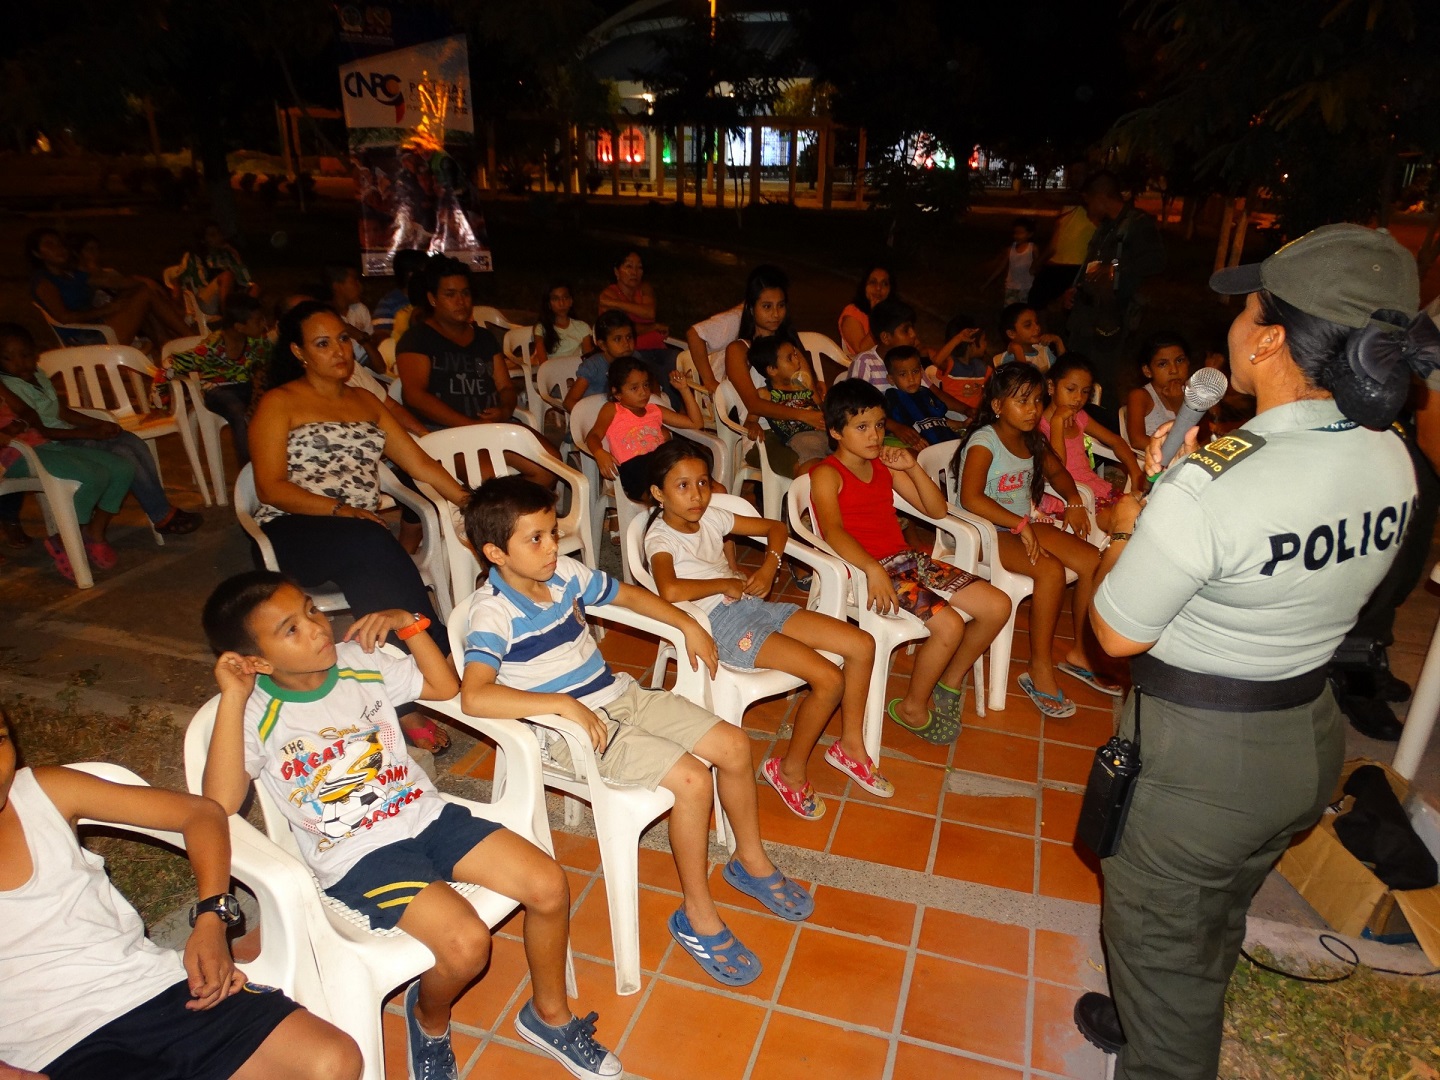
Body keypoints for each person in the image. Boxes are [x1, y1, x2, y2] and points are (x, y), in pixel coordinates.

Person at [1071, 223, 1439, 1079]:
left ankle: (1159, 1034)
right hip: (1302, 737)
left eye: (1244, 311)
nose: (1232, 326)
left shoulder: (1212, 485)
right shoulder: (1394, 459)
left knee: (1162, 933)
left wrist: (1134, 524)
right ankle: (1149, 1005)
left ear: (1269, 338)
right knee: (1214, 909)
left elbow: (1115, 633)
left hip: (1200, 763)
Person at [200, 573, 620, 1080]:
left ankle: (549, 1017)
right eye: (291, 629)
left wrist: (410, 623)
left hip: (424, 814)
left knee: (549, 885)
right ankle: (429, 1017)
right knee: (466, 947)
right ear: (258, 660)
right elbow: (218, 802)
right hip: (357, 854)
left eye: (311, 611)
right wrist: (232, 696)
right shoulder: (254, 712)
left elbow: (443, 687)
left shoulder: (360, 662)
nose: (316, 628)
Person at [458, 476, 815, 988]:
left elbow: (625, 595)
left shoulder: (563, 575)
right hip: (569, 731)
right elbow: (476, 695)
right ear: (495, 552)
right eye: (534, 539)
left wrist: (688, 624)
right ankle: (697, 912)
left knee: (735, 745)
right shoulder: (492, 613)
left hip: (616, 696)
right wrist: (561, 704)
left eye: (552, 533)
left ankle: (749, 860)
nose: (551, 547)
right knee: (693, 781)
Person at [0, 706, 363, 1080]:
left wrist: (211, 919)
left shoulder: (42, 793)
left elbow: (200, 813)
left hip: (152, 990)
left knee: (332, 1060)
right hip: (48, 1049)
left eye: (0, 739)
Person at [247, 300, 472, 750]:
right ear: (298, 352)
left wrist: (471, 501)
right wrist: (339, 509)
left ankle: (402, 697)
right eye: (323, 343)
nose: (340, 351)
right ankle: (442, 657)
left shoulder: (366, 401)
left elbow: (420, 464)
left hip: (358, 537)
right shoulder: (279, 402)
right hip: (292, 529)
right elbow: (269, 487)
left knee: (373, 571)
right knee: (372, 542)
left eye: (344, 340)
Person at [641, 440, 885, 815]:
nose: (698, 496)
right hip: (719, 623)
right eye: (683, 486)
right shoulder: (661, 538)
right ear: (658, 493)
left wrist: (769, 566)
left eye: (704, 483)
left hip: (751, 605)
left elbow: (775, 527)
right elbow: (669, 590)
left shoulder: (712, 517)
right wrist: (722, 583)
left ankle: (850, 746)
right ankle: (788, 772)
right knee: (829, 679)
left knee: (861, 644)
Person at [811, 380, 1010, 744]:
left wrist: (912, 467)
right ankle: (912, 707)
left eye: (880, 425)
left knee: (998, 605)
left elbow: (936, 510)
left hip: (909, 562)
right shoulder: (827, 474)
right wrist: (871, 568)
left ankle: (948, 682)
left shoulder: (885, 466)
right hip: (867, 571)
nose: (874, 436)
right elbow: (833, 533)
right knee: (949, 626)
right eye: (862, 427)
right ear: (836, 431)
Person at [953, 363, 1121, 717]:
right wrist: (1019, 524)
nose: (1033, 410)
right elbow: (971, 498)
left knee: (1094, 560)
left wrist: (1073, 500)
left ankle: (1081, 652)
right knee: (1050, 571)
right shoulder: (985, 442)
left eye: (1036, 401)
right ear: (998, 406)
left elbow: (1058, 473)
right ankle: (1039, 666)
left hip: (1021, 525)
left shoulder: (1032, 438)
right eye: (1022, 401)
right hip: (985, 531)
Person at [0, 324, 203, 541]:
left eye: (25, 355)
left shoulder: (38, 376)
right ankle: (162, 514)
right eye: (9, 358)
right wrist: (90, 433)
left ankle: (162, 508)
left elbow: (62, 412)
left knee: (132, 442)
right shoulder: (9, 387)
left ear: (35, 353)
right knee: (123, 454)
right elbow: (42, 431)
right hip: (54, 443)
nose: (20, 363)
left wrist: (96, 425)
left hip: (68, 431)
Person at [394, 257, 558, 489]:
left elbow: (505, 387)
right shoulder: (417, 339)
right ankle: (502, 516)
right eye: (450, 295)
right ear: (432, 299)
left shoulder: (483, 338)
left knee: (549, 466)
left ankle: (517, 518)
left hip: (493, 427)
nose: (460, 301)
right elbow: (415, 396)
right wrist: (468, 424)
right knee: (493, 481)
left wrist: (503, 410)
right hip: (444, 433)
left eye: (465, 293)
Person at [0, 389, 133, 580]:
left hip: (42, 444)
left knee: (122, 468)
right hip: (14, 456)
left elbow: (28, 412)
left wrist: (16, 425)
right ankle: (65, 540)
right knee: (94, 475)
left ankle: (94, 532)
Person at [721, 265, 827, 477]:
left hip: (805, 430)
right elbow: (754, 403)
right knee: (815, 471)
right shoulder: (739, 350)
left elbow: (813, 398)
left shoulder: (791, 349)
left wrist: (819, 415)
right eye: (767, 306)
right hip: (762, 434)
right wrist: (804, 416)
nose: (775, 314)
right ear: (751, 308)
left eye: (780, 306)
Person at [1067, 172, 1164, 396]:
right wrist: (1076, 287)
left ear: (1101, 197)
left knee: (1101, 380)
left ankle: (1102, 426)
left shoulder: (1137, 224)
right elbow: (1092, 262)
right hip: (1086, 312)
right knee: (1076, 373)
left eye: (1088, 201)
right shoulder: (1107, 226)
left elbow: (1156, 262)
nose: (1088, 207)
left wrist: (1112, 271)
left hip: (1111, 316)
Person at [27, 228, 190, 347]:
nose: (59, 248)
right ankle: (192, 340)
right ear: (37, 253)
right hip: (84, 338)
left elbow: (118, 282)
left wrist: (147, 281)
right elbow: (64, 317)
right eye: (50, 244)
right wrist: (107, 310)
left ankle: (169, 345)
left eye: (60, 244)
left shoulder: (71, 275)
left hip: (97, 326)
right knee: (143, 294)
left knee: (139, 293)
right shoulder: (43, 281)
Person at [160, 294, 270, 469]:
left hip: (245, 387)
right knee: (239, 413)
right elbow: (172, 363)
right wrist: (160, 395)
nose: (263, 324)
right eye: (257, 321)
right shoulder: (211, 347)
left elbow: (270, 360)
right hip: (218, 391)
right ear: (240, 327)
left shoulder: (257, 341)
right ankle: (249, 471)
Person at [1039, 354, 1144, 532]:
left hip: (1093, 488)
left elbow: (1116, 441)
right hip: (1065, 495)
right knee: (1122, 525)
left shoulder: (1080, 417)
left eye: (1085, 391)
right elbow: (1058, 469)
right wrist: (1056, 423)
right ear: (1051, 387)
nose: (1078, 398)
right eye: (1071, 389)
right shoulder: (1039, 426)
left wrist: (1135, 473)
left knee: (1139, 516)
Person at [585, 357, 702, 501]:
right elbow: (593, 435)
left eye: (646, 385)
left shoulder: (655, 410)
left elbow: (696, 423)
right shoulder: (612, 409)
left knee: (686, 454)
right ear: (617, 393)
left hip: (661, 463)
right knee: (668, 493)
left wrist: (684, 389)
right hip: (633, 468)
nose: (644, 392)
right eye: (634, 388)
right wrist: (599, 452)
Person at [597, 250, 677, 405]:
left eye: (639, 267)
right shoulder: (609, 292)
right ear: (616, 271)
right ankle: (670, 416)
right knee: (662, 375)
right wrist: (652, 327)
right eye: (629, 266)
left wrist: (614, 304)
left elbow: (649, 312)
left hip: (659, 347)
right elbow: (622, 330)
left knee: (679, 363)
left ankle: (683, 413)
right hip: (635, 351)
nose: (634, 272)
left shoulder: (644, 289)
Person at [748, 335, 830, 478]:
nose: (797, 360)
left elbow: (819, 405)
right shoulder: (765, 394)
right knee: (814, 466)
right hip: (802, 438)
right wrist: (753, 425)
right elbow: (750, 420)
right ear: (772, 369)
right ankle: (804, 492)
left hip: (826, 433)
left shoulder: (801, 385)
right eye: (790, 358)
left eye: (795, 355)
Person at [175, 222, 261, 319]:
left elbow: (246, 280)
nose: (218, 238)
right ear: (203, 240)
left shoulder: (227, 256)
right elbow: (178, 279)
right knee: (227, 276)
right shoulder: (193, 257)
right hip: (206, 299)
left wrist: (235, 254)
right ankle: (228, 318)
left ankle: (245, 320)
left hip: (231, 296)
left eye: (219, 234)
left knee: (255, 288)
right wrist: (177, 302)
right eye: (212, 235)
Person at [1123, 333, 1191, 451]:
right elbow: (1137, 440)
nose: (1174, 370)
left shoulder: (1193, 393)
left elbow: (1202, 436)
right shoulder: (1141, 396)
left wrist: (1179, 403)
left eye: (1180, 360)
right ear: (1147, 371)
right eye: (1163, 364)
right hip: (1156, 460)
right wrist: (1173, 452)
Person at [884, 346, 963, 446]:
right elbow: (882, 421)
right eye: (903, 374)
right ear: (891, 379)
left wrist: (962, 424)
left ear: (921, 373)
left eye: (915, 372)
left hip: (949, 442)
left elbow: (941, 420)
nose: (911, 379)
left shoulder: (927, 393)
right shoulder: (893, 396)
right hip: (924, 448)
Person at [1029, 202, 1097, 314]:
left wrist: (1038, 263)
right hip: (1074, 267)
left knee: (1039, 305)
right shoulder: (1076, 209)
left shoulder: (1076, 209)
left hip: (1067, 267)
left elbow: (1053, 247)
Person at [562, 311, 636, 411]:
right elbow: (569, 402)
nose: (626, 343)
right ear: (603, 345)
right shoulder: (593, 366)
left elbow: (653, 389)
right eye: (618, 339)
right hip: (593, 418)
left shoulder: (636, 360)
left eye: (629, 337)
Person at [927, 314, 992, 417]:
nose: (986, 344)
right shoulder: (951, 365)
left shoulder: (982, 368)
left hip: (973, 417)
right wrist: (959, 338)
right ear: (972, 344)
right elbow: (937, 360)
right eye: (984, 340)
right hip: (953, 414)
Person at [323, 266, 378, 370]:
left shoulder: (360, 309)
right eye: (354, 281)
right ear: (337, 286)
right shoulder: (326, 316)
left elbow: (373, 348)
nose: (360, 286)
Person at [837, 263, 894, 359]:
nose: (878, 288)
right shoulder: (853, 313)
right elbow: (861, 351)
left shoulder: (895, 310)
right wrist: (877, 317)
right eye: (873, 282)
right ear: (864, 286)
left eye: (884, 284)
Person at [371, 249, 428, 343]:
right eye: (425, 270)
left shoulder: (432, 298)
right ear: (410, 274)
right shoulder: (389, 303)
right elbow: (382, 341)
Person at [684, 303, 743, 392]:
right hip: (724, 394)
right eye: (767, 306)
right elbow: (694, 334)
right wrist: (709, 381)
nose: (772, 314)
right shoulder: (738, 317)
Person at [532, 281, 594, 367]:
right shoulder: (542, 328)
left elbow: (588, 359)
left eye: (565, 298)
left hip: (576, 372)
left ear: (571, 301)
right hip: (551, 373)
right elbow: (543, 362)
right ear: (549, 304)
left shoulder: (582, 327)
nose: (561, 303)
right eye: (556, 299)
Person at [994, 303, 1065, 374]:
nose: (1037, 328)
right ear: (1011, 333)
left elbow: (1064, 371)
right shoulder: (1008, 359)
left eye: (1037, 322)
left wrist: (1058, 341)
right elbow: (1026, 380)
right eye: (1028, 325)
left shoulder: (1043, 351)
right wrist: (1018, 351)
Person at [983, 218, 1040, 305]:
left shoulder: (1032, 248)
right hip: (1011, 287)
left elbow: (1038, 264)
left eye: (1020, 233)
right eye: (1015, 233)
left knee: (1022, 310)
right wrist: (988, 282)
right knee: (1010, 311)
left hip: (1026, 287)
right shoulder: (1010, 250)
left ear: (1029, 234)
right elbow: (1001, 267)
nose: (1017, 236)